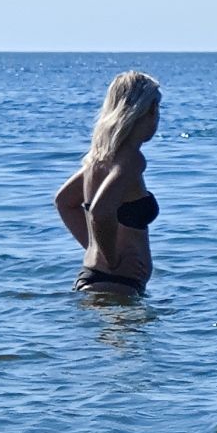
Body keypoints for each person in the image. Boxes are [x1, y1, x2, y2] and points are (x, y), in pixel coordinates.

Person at [55, 72, 162, 297]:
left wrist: (96, 251)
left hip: (96, 278)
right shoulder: (131, 159)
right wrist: (112, 260)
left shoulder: (99, 159)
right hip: (116, 284)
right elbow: (100, 210)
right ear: (150, 109)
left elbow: (64, 202)